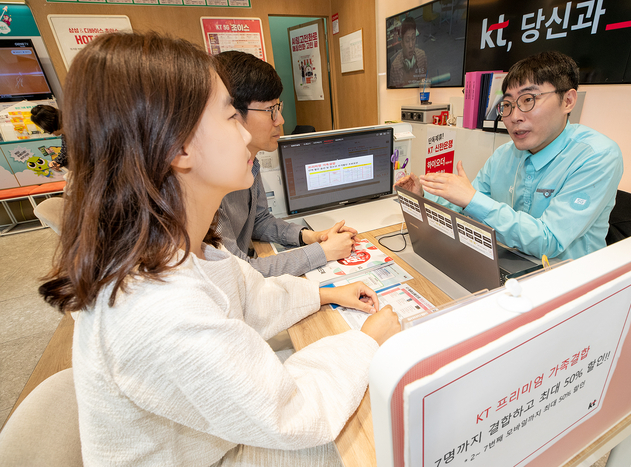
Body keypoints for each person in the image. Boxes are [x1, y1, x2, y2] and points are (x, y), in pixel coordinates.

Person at [39, 32, 400, 466]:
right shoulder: (159, 310)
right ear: (179, 147)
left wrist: (323, 294)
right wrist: (367, 343)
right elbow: (293, 414)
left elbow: (249, 294)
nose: (247, 134)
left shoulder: (173, 245)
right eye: (232, 116)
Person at [396, 51, 623, 261]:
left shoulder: (597, 156)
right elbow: (465, 209)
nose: (514, 116)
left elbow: (549, 241)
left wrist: (472, 199)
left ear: (568, 101)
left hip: (568, 280)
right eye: (506, 104)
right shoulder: (504, 154)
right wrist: (421, 196)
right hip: (509, 264)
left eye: (528, 100)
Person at [215, 51, 358, 278]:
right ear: (233, 113)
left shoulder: (250, 162)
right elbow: (237, 274)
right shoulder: (210, 183)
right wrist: (321, 252)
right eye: (270, 110)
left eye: (278, 107)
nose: (280, 120)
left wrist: (310, 236)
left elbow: (258, 220)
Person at [389, 16, 428, 88]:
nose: (411, 45)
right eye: (407, 40)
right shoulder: (395, 67)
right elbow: (393, 95)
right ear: (402, 43)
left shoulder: (422, 56)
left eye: (413, 39)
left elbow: (426, 81)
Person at [30, 104, 68, 170]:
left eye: (45, 129)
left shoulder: (81, 132)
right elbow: (65, 154)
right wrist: (56, 162)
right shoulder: (65, 135)